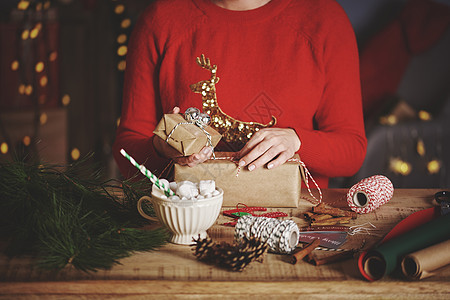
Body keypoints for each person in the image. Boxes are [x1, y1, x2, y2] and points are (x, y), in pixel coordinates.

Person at [112, 0, 367, 188]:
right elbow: (127, 148)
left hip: (296, 223)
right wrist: (161, 150)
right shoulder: (162, 19)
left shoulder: (324, 18)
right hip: (188, 220)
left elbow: (352, 151)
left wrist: (297, 142)